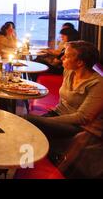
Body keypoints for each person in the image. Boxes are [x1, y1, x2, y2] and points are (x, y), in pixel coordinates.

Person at [27, 41, 103, 175]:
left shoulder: (97, 83)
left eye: (67, 56)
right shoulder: (69, 71)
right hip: (58, 114)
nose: (62, 58)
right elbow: (64, 99)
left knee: (27, 121)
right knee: (26, 129)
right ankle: (25, 165)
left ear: (80, 62)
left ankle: (25, 166)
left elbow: (83, 117)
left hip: (77, 125)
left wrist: (49, 121)